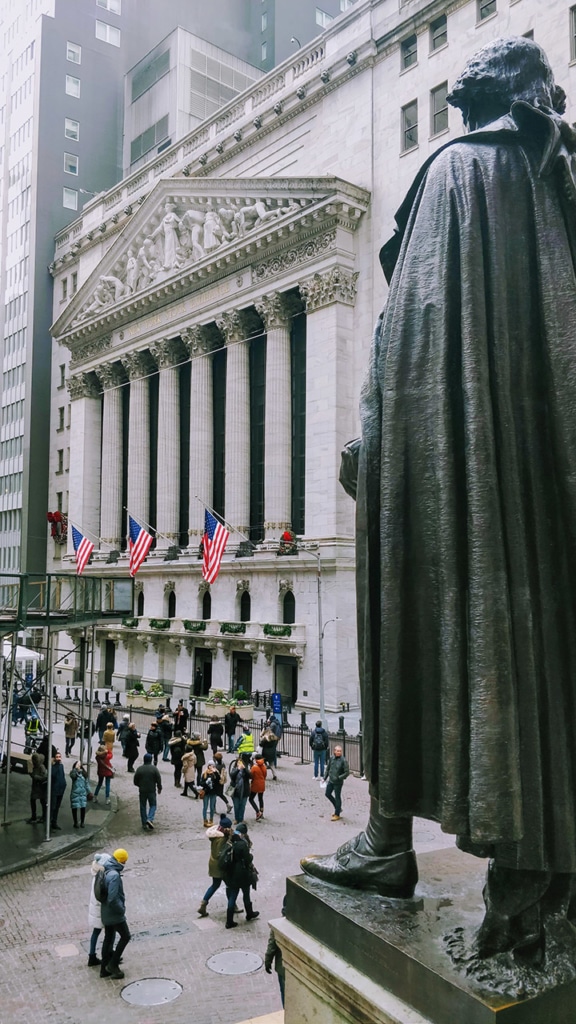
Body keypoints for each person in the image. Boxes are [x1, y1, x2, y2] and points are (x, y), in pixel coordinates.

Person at [302, 37, 576, 962]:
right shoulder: (544, 179)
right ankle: (526, 878)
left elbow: (410, 348)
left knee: (422, 631)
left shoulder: (461, 174)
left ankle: (393, 847)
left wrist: (378, 455)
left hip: (458, 482)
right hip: (529, 483)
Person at [100, 848, 131, 979]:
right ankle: (113, 965)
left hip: (106, 911)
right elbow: (112, 898)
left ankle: (104, 969)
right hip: (114, 913)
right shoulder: (114, 875)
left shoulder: (107, 869)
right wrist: (121, 909)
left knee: (108, 938)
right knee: (125, 936)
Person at [221, 822, 260, 929]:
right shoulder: (242, 844)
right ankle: (249, 913)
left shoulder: (230, 841)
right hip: (242, 874)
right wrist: (250, 855)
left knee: (233, 896)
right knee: (246, 894)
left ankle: (229, 920)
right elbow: (248, 859)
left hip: (231, 874)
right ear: (243, 833)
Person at [198, 813, 233, 917]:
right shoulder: (222, 839)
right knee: (229, 885)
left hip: (213, 864)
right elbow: (221, 853)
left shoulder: (215, 836)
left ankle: (203, 904)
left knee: (215, 885)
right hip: (221, 866)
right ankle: (232, 905)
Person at [87, 852, 113, 967]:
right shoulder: (101, 878)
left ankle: (92, 955)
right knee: (110, 933)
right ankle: (109, 954)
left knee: (96, 932)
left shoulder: (95, 876)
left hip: (95, 909)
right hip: (100, 910)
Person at [264, 897, 286, 1008]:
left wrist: (267, 962)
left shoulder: (279, 925)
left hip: (282, 968)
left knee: (284, 994)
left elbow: (272, 946)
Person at [133, 752, 162, 831]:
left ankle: (144, 823)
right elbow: (158, 779)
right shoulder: (154, 769)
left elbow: (135, 781)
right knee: (153, 805)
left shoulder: (139, 769)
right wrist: (159, 788)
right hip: (151, 790)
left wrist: (140, 785)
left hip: (142, 791)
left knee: (142, 806)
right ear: (151, 760)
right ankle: (150, 818)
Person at [322, 745, 349, 822]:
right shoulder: (331, 758)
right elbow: (328, 768)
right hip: (331, 780)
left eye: (340, 751)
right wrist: (324, 778)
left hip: (338, 782)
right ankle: (338, 808)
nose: (339, 752)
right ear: (334, 751)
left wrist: (339, 777)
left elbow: (347, 772)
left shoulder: (343, 761)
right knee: (327, 794)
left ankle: (337, 814)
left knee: (337, 796)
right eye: (337, 751)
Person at [229, 754, 251, 825]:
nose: (239, 764)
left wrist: (244, 769)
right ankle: (236, 818)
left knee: (242, 806)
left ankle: (241, 819)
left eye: (241, 763)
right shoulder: (234, 770)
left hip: (244, 791)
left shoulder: (245, 771)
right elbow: (232, 776)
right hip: (236, 791)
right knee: (236, 806)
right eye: (238, 763)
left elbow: (250, 776)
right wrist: (238, 770)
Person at [26, 751, 47, 824]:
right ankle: (34, 816)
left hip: (40, 787)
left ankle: (44, 816)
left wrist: (35, 777)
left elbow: (44, 777)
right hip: (36, 786)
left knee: (42, 801)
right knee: (33, 800)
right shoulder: (35, 766)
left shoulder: (41, 767)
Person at [70, 760, 91, 828]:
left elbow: (87, 784)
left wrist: (89, 792)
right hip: (75, 793)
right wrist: (76, 769)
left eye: (79, 764)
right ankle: (75, 822)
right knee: (74, 808)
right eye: (77, 764)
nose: (79, 766)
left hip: (82, 793)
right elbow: (73, 776)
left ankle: (82, 822)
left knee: (83, 808)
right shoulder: (73, 772)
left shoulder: (84, 774)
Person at [50, 751, 67, 830]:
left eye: (59, 757)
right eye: (57, 757)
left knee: (57, 807)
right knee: (53, 807)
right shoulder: (53, 767)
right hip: (54, 789)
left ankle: (54, 822)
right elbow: (52, 775)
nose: (58, 758)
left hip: (61, 789)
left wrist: (64, 784)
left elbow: (62, 776)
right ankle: (50, 821)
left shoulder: (61, 766)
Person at [249, 754, 267, 820]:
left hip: (255, 784)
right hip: (262, 784)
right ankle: (261, 811)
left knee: (251, 799)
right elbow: (265, 775)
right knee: (260, 798)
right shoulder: (264, 766)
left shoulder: (254, 767)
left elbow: (251, 776)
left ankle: (257, 811)